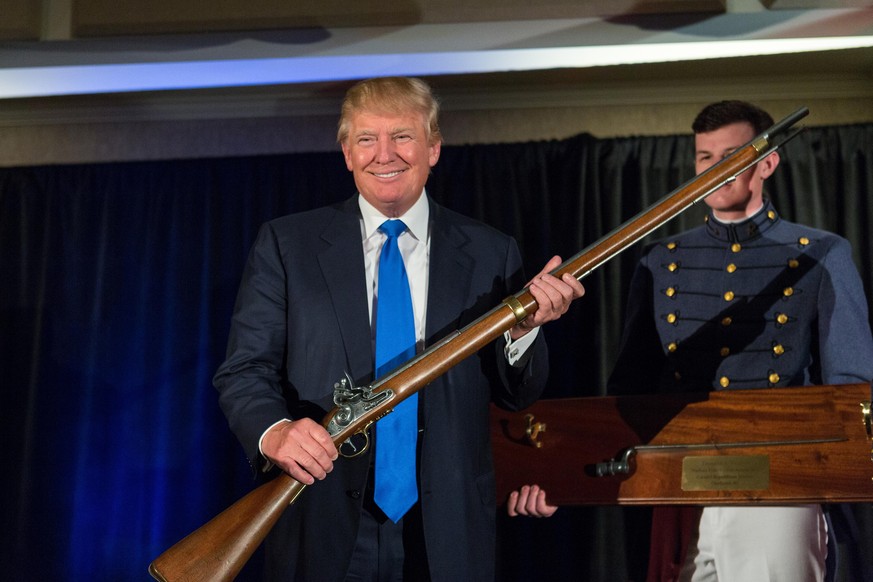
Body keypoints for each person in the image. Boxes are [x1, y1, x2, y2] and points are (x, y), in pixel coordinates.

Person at [213, 76, 585, 582]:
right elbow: (244, 371)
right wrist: (275, 433)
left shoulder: (490, 252)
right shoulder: (287, 244)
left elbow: (515, 396)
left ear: (434, 148)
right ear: (347, 153)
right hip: (320, 517)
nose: (384, 154)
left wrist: (524, 333)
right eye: (367, 139)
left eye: (403, 136)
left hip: (447, 531)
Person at [606, 100, 873, 582]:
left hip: (782, 478)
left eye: (730, 156)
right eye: (705, 157)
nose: (714, 170)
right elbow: (632, 383)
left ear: (767, 162)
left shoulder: (821, 254)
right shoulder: (659, 260)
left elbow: (851, 390)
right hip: (681, 480)